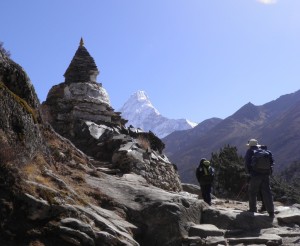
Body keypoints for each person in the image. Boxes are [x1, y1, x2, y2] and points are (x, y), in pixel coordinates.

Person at [244, 139, 275, 217]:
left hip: (255, 174)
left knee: (252, 191)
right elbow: (272, 162)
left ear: (250, 145)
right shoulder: (265, 151)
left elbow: (247, 163)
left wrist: (249, 173)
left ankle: (253, 209)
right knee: (267, 192)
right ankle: (271, 211)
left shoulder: (250, 151)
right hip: (266, 174)